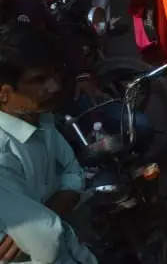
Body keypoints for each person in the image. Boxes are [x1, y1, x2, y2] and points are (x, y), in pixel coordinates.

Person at [0, 23, 97, 264]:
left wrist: (46, 215)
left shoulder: (41, 118)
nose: (54, 87)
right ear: (3, 94)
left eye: (54, 75)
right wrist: (41, 225)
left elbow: (74, 173)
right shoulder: (2, 155)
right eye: (39, 79)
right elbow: (44, 239)